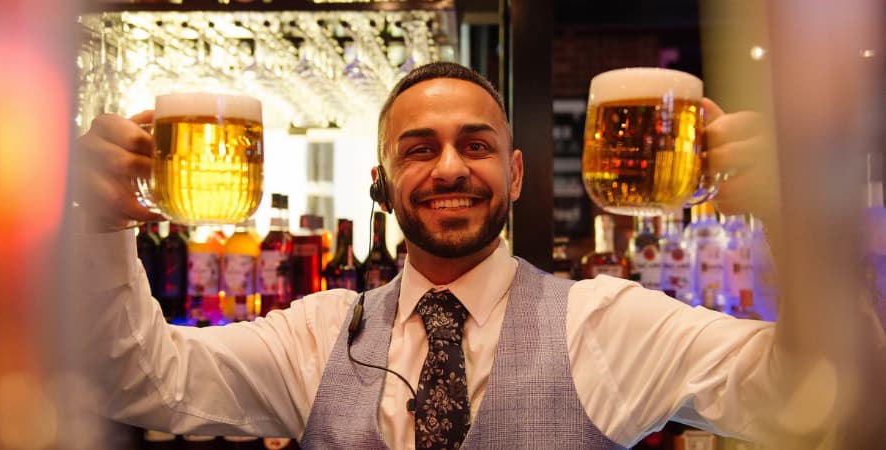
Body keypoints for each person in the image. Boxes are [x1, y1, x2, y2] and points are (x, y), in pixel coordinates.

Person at [72, 62, 813, 449]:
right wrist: (101, 226)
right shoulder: (321, 331)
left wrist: (796, 216)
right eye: (419, 149)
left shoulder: (607, 323)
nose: (451, 168)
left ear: (515, 176)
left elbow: (817, 402)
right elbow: (142, 382)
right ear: (382, 185)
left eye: (477, 145)